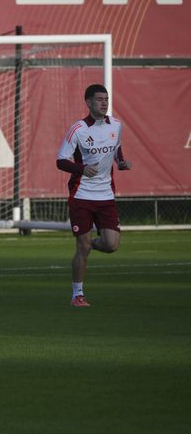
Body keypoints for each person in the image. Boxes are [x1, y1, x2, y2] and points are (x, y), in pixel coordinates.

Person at [56, 84, 131, 307]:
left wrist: (121, 162)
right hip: (82, 196)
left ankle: (87, 244)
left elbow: (115, 148)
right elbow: (61, 161)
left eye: (106, 99)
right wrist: (81, 169)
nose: (104, 103)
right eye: (99, 99)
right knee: (83, 248)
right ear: (88, 102)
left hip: (106, 196)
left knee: (111, 245)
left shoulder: (116, 125)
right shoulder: (78, 129)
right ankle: (77, 295)